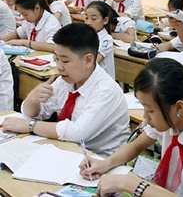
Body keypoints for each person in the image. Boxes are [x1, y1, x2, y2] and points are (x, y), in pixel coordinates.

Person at [79, 58, 183, 197]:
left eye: (150, 110)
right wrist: (104, 164)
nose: (145, 117)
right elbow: (135, 146)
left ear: (179, 107)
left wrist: (132, 184)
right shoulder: (172, 119)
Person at [1, 23, 130, 157]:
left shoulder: (106, 90)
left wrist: (30, 126)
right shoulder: (66, 80)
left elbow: (77, 132)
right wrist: (33, 99)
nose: (59, 67)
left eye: (65, 61)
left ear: (88, 60)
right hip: (67, 150)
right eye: (56, 59)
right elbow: (35, 113)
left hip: (100, 160)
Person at [84, 1, 115, 80]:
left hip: (102, 83)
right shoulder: (85, 35)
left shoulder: (107, 39)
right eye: (86, 17)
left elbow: (93, 63)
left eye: (94, 19)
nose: (88, 22)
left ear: (105, 20)